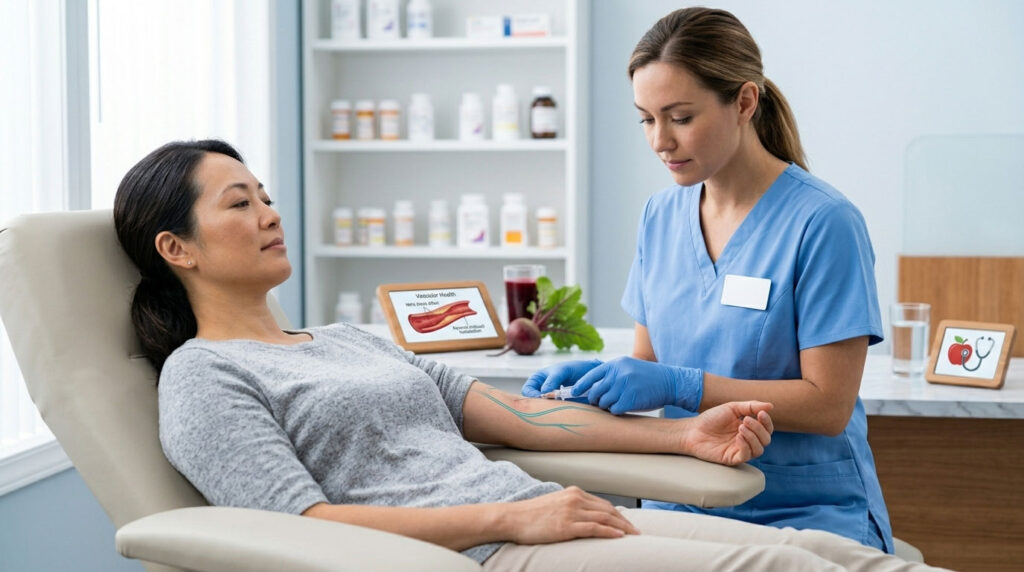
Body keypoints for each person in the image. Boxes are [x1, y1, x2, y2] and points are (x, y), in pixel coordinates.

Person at [111, 139, 941, 571]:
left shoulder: (346, 336)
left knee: (819, 554)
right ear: (176, 248)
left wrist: (680, 435)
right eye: (238, 202)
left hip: (543, 517)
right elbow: (304, 526)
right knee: (770, 566)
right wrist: (510, 519)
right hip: (491, 547)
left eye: (264, 195)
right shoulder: (203, 374)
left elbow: (513, 413)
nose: (267, 212)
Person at [523, 7, 894, 553]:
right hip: (682, 496)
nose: (659, 141)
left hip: (802, 508)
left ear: (744, 102)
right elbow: (651, 364)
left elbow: (827, 404)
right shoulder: (660, 216)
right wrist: (595, 384)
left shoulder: (823, 223)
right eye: (646, 119)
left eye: (680, 117)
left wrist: (682, 386)